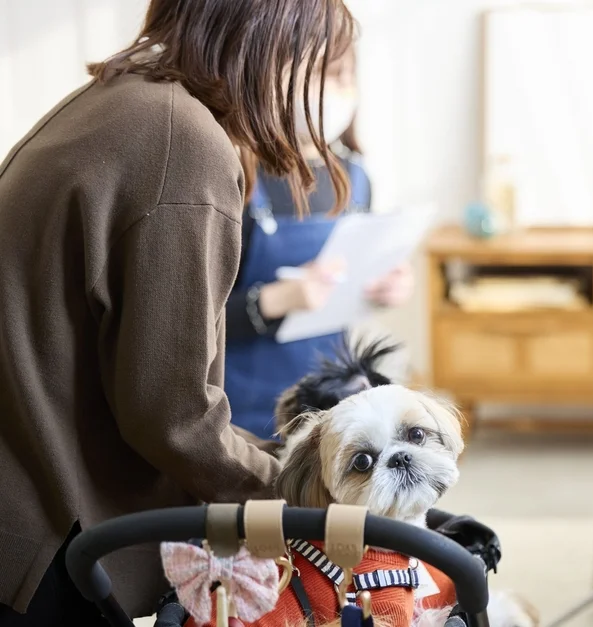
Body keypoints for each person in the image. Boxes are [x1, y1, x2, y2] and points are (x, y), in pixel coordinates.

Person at [0, 0, 354, 624]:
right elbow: (174, 413)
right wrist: (303, 499)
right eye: (316, 64)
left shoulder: (122, 98)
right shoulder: (180, 141)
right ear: (264, 41)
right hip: (44, 534)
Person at [224, 47, 414, 439]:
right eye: (316, 74)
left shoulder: (356, 178)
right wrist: (277, 300)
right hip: (240, 410)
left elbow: (353, 286)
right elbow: (188, 322)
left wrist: (385, 285)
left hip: (331, 399)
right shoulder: (234, 177)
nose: (331, 91)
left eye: (343, 77)